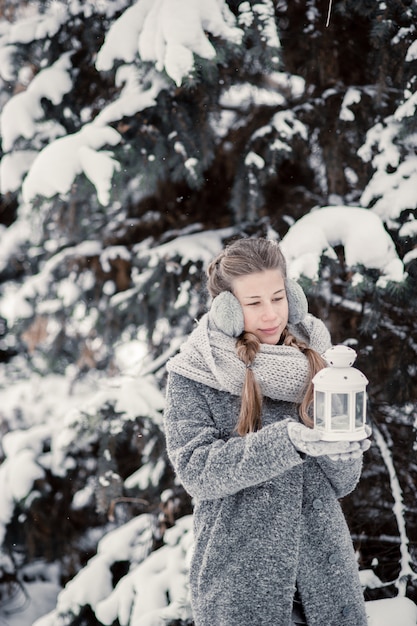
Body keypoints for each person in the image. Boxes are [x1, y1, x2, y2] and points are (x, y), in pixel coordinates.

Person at [163, 237, 371, 626]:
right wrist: (285, 441)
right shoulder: (194, 373)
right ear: (227, 310)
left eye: (277, 298)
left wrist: (344, 453)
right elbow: (196, 471)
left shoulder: (319, 361)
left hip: (326, 580)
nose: (271, 314)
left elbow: (341, 483)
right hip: (240, 580)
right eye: (253, 303)